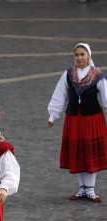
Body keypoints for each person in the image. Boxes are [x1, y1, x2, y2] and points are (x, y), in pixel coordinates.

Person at [47, 43, 107, 202]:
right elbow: (60, 95)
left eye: (82, 54)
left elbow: (106, 98)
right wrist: (53, 115)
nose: (79, 57)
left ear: (88, 56)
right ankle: (82, 189)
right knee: (78, 151)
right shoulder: (68, 74)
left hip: (92, 119)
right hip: (74, 118)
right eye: (77, 55)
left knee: (90, 151)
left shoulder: (98, 75)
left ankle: (90, 189)